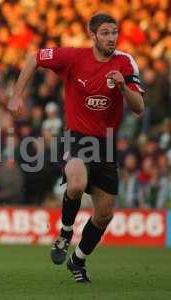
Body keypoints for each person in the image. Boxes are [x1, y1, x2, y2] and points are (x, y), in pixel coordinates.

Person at [8, 13, 144, 283]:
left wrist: (123, 88)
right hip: (77, 137)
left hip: (106, 143)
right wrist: (15, 95)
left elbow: (139, 108)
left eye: (114, 32)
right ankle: (66, 231)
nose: (111, 38)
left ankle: (78, 259)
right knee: (76, 183)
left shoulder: (125, 63)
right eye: (105, 33)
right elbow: (35, 57)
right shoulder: (72, 57)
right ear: (92, 35)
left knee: (104, 214)